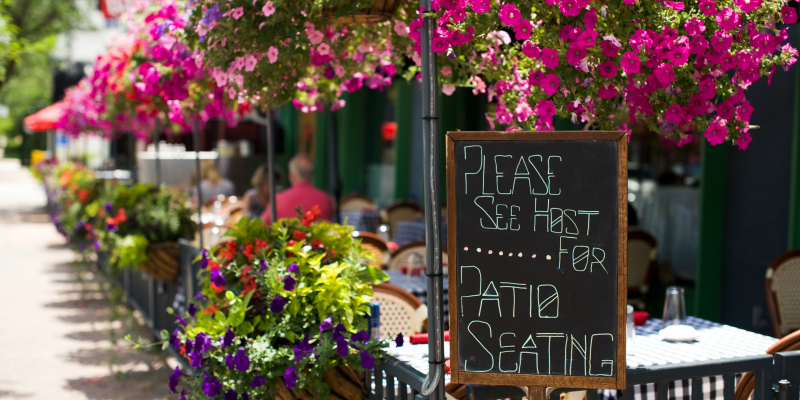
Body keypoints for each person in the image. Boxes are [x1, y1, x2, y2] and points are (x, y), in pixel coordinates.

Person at [261, 153, 333, 223]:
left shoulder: (277, 200)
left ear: (292, 174)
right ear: (312, 175)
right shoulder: (326, 199)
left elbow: (262, 224)